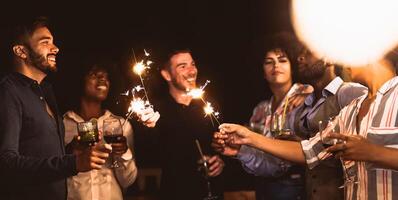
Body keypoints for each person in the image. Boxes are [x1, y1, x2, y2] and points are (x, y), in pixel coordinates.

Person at [217, 55, 398, 199]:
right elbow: (309, 151)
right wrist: (248, 137)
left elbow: (367, 152)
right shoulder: (352, 109)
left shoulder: (388, 95)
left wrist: (373, 152)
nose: (343, 57)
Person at [0, 17, 110, 200]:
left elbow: (38, 152)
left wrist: (71, 150)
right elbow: (6, 162)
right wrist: (73, 163)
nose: (55, 48)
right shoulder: (8, 91)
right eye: (45, 42)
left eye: (53, 41)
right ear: (21, 51)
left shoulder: (44, 92)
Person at [214, 33, 312, 200]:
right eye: (269, 62)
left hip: (297, 188)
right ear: (262, 71)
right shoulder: (260, 109)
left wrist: (311, 92)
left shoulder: (308, 96)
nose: (276, 66)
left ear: (292, 66)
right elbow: (260, 158)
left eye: (282, 60)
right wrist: (238, 150)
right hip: (264, 187)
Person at [63, 60, 159, 199]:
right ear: (80, 79)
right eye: (95, 74)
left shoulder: (121, 125)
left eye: (106, 76)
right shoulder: (63, 123)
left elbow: (128, 181)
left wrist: (123, 153)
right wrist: (71, 152)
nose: (103, 79)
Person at [155, 48, 224, 199]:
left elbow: (223, 146)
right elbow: (153, 155)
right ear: (166, 74)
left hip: (211, 193)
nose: (192, 71)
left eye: (193, 64)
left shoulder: (210, 105)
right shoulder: (155, 113)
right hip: (175, 194)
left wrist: (221, 161)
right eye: (183, 66)